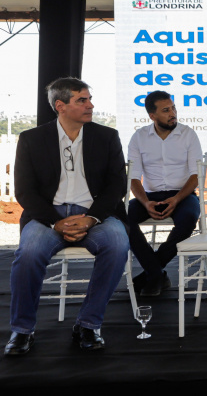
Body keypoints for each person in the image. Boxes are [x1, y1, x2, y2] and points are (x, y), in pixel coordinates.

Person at [5, 78, 129, 355]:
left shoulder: (107, 136)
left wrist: (91, 219)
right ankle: (22, 330)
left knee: (118, 244)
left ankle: (88, 324)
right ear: (60, 106)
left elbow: (115, 186)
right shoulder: (31, 139)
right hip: (47, 216)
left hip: (95, 214)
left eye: (89, 99)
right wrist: (55, 221)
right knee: (28, 253)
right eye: (81, 100)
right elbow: (25, 191)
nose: (90, 105)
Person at [126, 90, 203, 297]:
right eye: (166, 110)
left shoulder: (188, 134)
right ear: (152, 116)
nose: (173, 113)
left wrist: (177, 198)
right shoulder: (139, 137)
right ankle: (156, 273)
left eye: (173, 108)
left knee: (188, 219)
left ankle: (152, 274)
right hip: (150, 196)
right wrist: (145, 203)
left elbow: (197, 174)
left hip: (183, 194)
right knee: (123, 219)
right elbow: (133, 177)